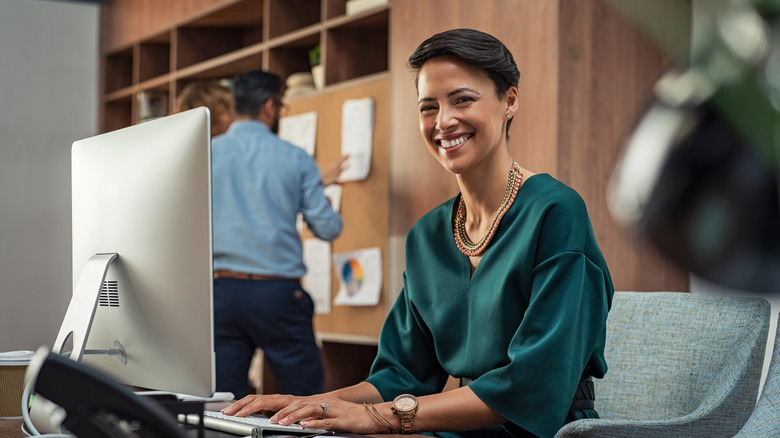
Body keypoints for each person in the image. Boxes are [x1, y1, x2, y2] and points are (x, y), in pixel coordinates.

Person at [220, 29, 614, 438]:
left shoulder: (555, 212)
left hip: (543, 431)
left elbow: (534, 384)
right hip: (458, 429)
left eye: (463, 100)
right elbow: (402, 374)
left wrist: (377, 417)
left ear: (509, 101)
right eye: (429, 107)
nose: (443, 121)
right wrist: (310, 405)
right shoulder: (427, 235)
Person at [211, 69, 344, 398]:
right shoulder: (295, 158)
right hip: (278, 295)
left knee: (221, 402)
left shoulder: (206, 153)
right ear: (270, 106)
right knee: (305, 401)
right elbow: (328, 228)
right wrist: (322, 203)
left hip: (222, 292)